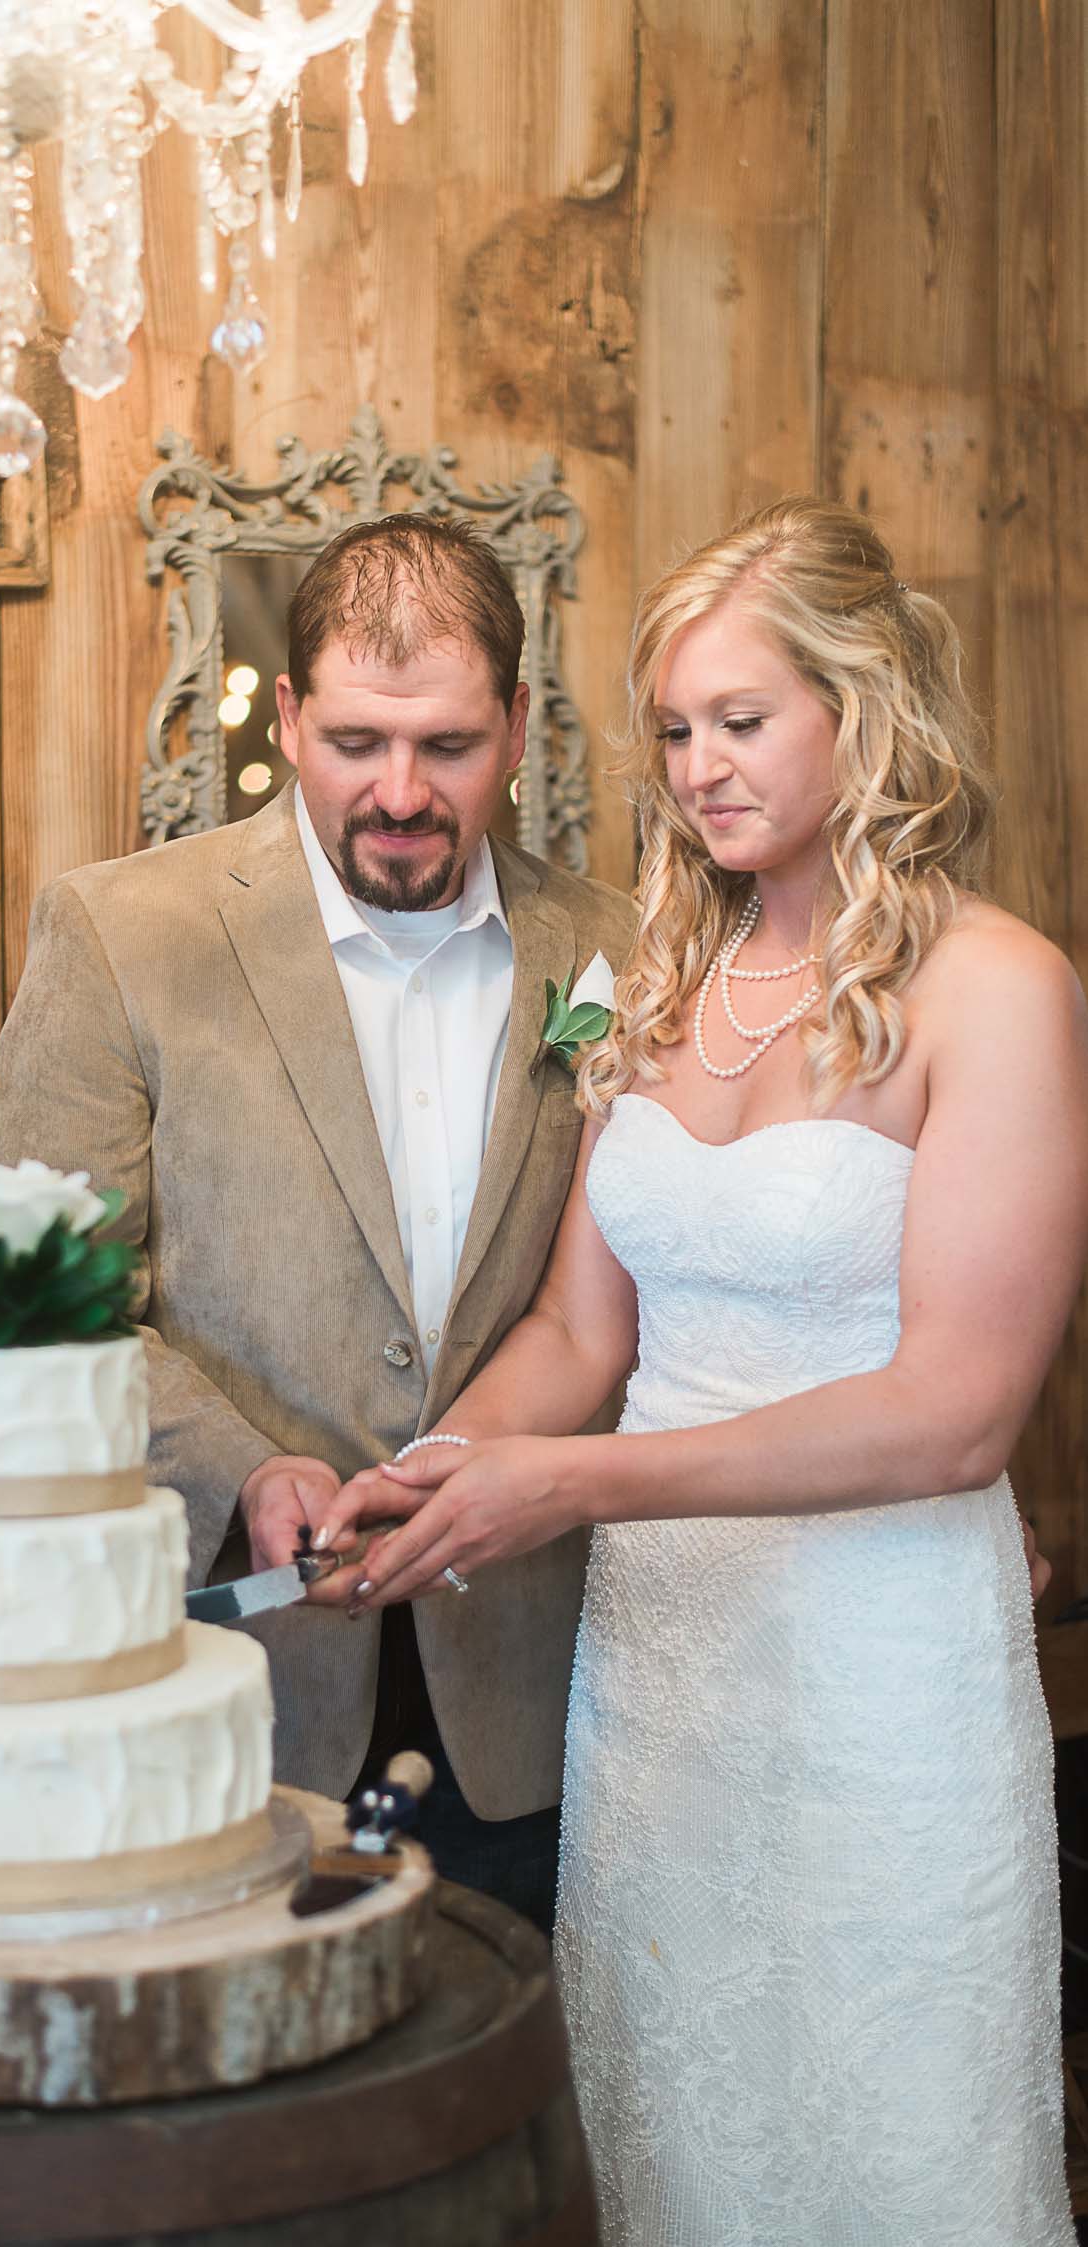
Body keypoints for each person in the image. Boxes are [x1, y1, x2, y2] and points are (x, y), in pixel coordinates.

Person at [319, 497, 1085, 2245]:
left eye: (744, 721)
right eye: (674, 728)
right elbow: (585, 1338)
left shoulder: (998, 990)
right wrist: (443, 1465)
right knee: (677, 2128)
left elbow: (957, 1412)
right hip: (665, 1675)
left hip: (883, 1662)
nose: (700, 768)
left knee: (892, 2137)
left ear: (863, 712)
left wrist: (574, 1484)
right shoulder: (643, 987)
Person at [0, 513, 636, 1932]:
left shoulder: (619, 951)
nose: (399, 793)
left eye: (449, 747)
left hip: (538, 1701)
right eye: (353, 742)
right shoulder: (120, 934)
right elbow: (41, 1304)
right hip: (233, 1712)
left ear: (519, 728)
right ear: (285, 716)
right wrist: (245, 1464)